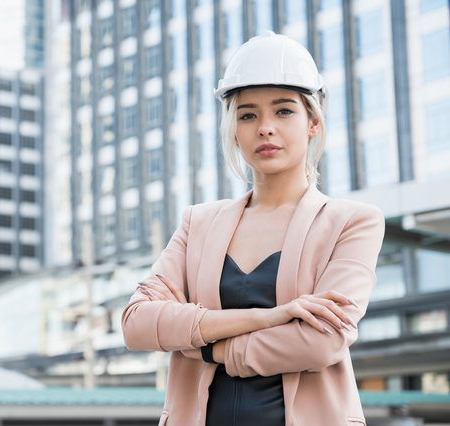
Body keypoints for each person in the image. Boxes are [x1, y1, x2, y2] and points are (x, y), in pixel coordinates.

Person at [121, 31, 385, 426]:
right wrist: (270, 317)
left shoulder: (352, 221)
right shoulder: (198, 223)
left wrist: (209, 348)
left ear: (313, 122)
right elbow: (137, 323)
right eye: (248, 115)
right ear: (234, 130)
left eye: (283, 111)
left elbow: (321, 341)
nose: (265, 128)